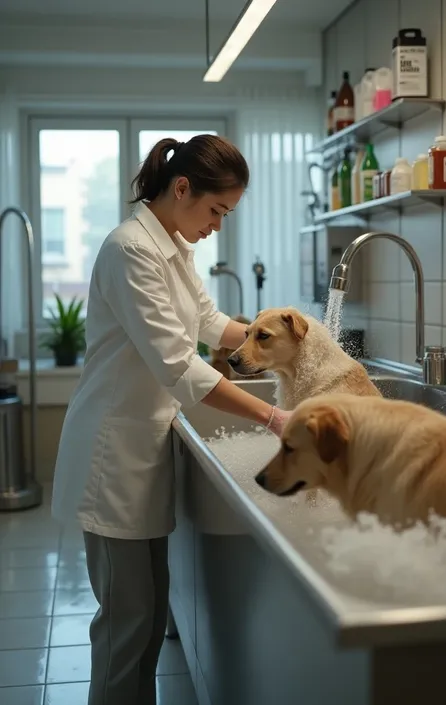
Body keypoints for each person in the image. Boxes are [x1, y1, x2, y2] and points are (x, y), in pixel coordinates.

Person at [51, 134, 292, 705]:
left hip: (141, 454)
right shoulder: (130, 250)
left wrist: (280, 338)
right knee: (125, 626)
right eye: (216, 210)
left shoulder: (173, 247)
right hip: (112, 458)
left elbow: (208, 322)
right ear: (181, 187)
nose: (217, 225)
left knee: (149, 612)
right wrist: (273, 415)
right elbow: (179, 366)